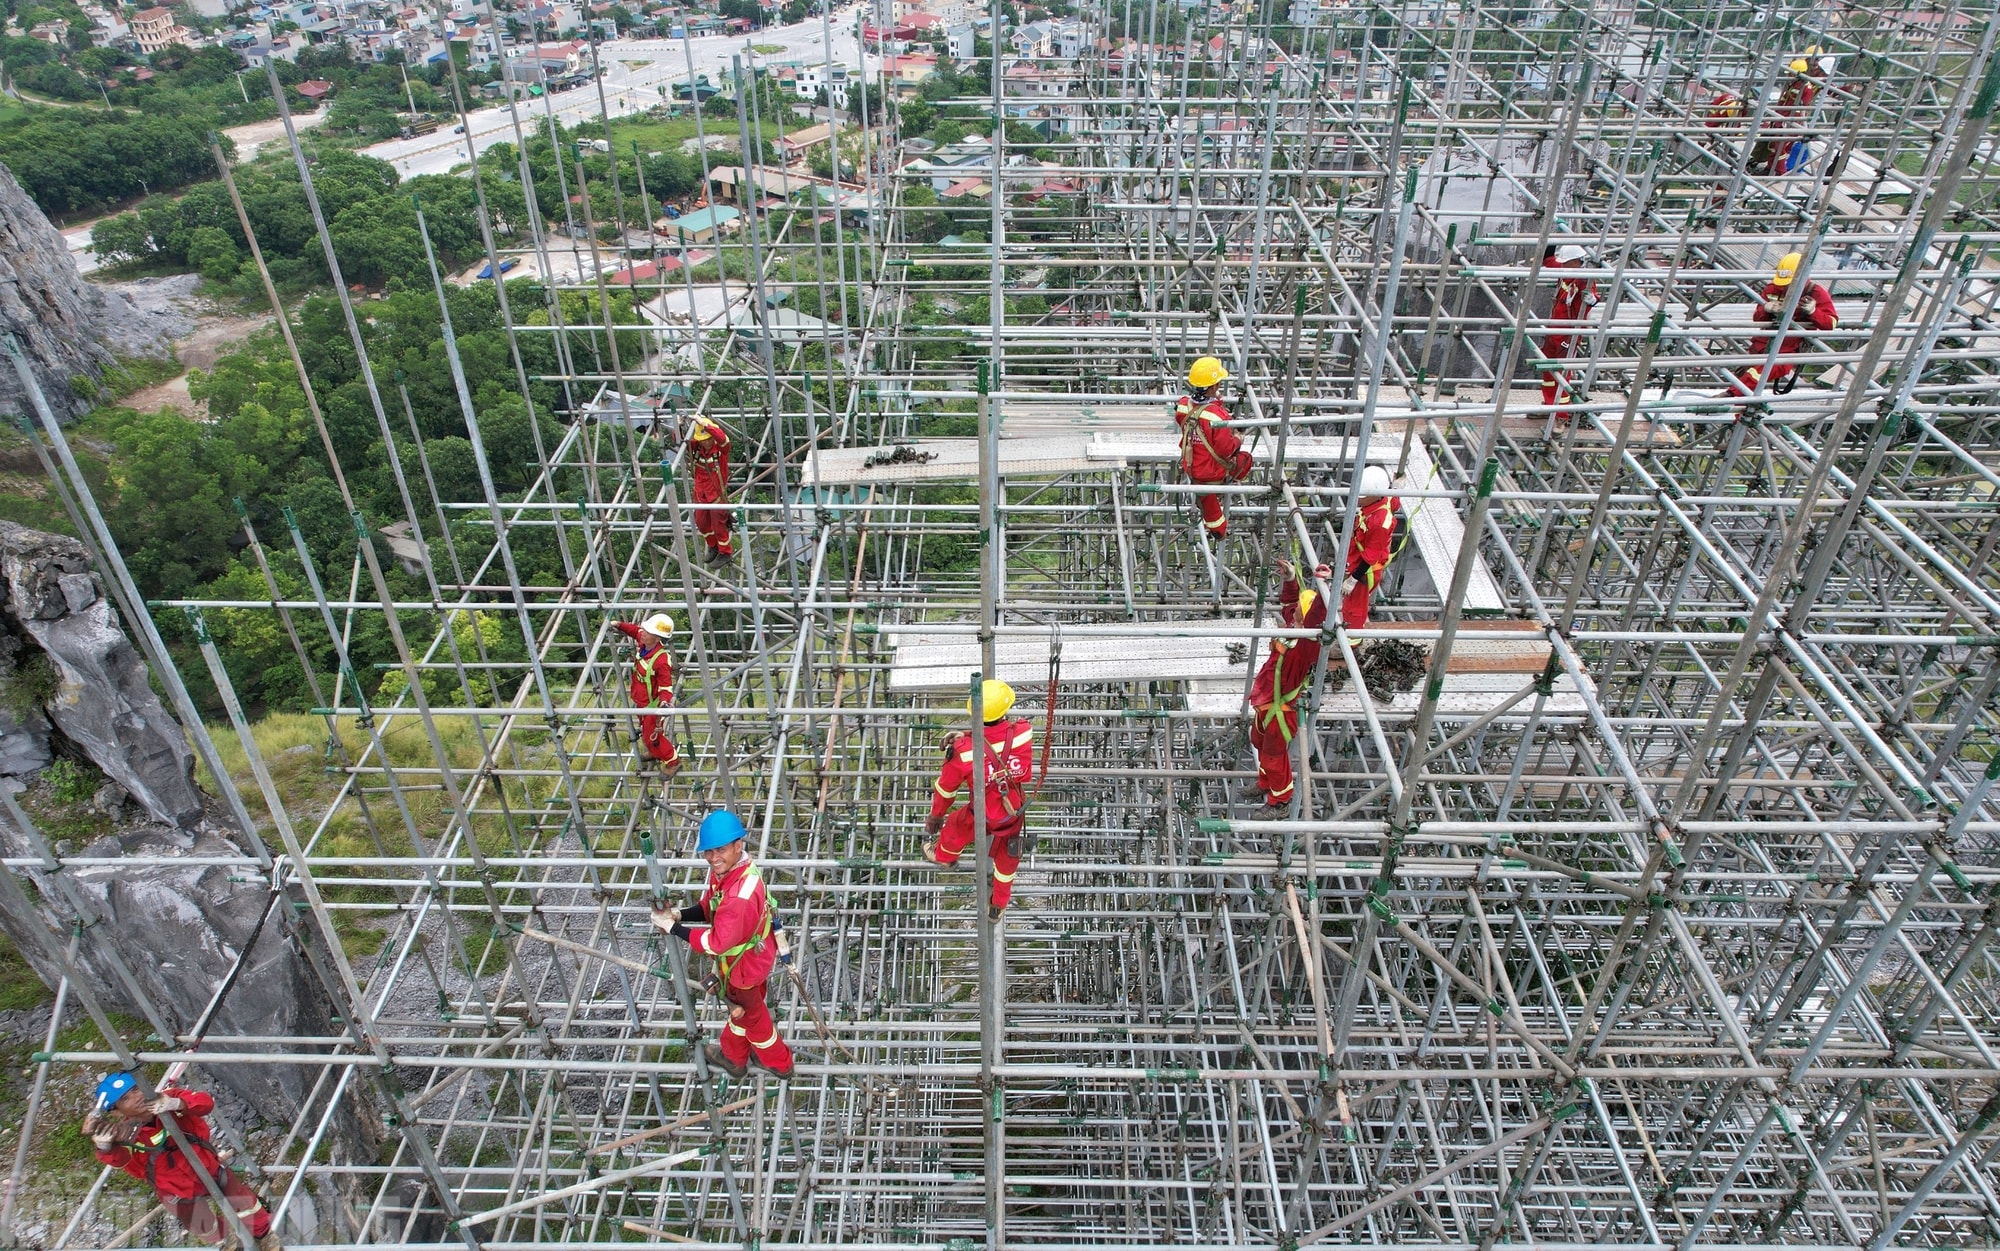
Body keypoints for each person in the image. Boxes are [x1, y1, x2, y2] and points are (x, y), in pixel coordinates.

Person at [652, 810, 795, 1078]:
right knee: (743, 1013)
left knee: (755, 1021)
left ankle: (780, 1063)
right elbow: (711, 907)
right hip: (752, 959)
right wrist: (681, 915)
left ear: (737, 846)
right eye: (708, 852)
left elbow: (715, 943)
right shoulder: (731, 872)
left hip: (743, 970)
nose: (713, 858)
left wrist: (674, 928)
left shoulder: (739, 896)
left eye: (720, 850)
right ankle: (734, 1056)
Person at [85, 1072, 282, 1251]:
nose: (137, 1097)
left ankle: (265, 1236)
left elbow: (205, 1103)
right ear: (117, 1112)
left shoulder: (168, 1098)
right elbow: (122, 1161)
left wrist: (175, 1104)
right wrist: (106, 1147)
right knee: (201, 1223)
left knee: (244, 1202)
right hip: (175, 1189)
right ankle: (227, 1242)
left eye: (136, 1089)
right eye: (125, 1098)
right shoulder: (126, 1135)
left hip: (208, 1166)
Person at [922, 679, 1033, 922]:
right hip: (1012, 810)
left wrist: (935, 816)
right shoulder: (1023, 733)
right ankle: (997, 906)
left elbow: (946, 789)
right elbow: (1003, 736)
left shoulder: (964, 751)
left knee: (955, 825)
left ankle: (945, 856)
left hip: (982, 812)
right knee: (1007, 863)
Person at [1247, 560, 1328, 809]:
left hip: (1281, 709)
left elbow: (1317, 616)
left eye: (1300, 609)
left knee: (1273, 755)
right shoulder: (1294, 628)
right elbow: (1291, 606)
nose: (1294, 611)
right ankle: (1265, 783)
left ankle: (1279, 800)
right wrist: (1291, 580)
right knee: (1258, 742)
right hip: (1267, 702)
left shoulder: (1306, 644)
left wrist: (1328, 588)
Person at [1729, 252, 1837, 398]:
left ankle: (1731, 395)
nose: (1785, 287)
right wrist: (1766, 309)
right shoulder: (1773, 288)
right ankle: (1736, 405)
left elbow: (1831, 323)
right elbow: (1758, 319)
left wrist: (1813, 311)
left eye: (1789, 283)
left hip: (1788, 350)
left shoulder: (1815, 293)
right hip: (1763, 345)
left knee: (1757, 375)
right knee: (1750, 377)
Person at [1173, 356, 1254, 541]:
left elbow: (1187, 418)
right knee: (1245, 459)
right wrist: (1238, 438)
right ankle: (1220, 509)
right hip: (1210, 472)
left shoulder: (1184, 404)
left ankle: (1218, 527)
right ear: (1213, 386)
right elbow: (1225, 450)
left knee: (1207, 499)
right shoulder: (1216, 416)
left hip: (1191, 464)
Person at [612, 613, 681, 777]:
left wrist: (664, 703)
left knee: (652, 736)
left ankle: (672, 761)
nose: (642, 632)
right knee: (645, 729)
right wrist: (618, 624)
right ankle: (654, 752)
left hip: (654, 705)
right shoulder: (644, 645)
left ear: (658, 638)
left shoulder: (661, 660)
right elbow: (634, 631)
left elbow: (665, 687)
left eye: (647, 632)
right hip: (641, 700)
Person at [1540, 244, 1598, 422]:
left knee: (1562, 372)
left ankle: (1560, 416)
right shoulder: (1566, 270)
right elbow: (1549, 261)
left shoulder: (1585, 280)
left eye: (1566, 263)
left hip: (1569, 333)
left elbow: (1593, 296)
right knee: (1547, 368)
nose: (1562, 266)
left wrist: (1592, 300)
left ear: (1575, 262)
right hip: (1554, 328)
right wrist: (1551, 240)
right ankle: (1550, 406)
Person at [1343, 466, 1400, 631]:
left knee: (1354, 608)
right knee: (1354, 604)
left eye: (1362, 496)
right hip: (1356, 558)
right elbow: (1394, 502)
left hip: (1365, 571)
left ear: (1375, 495)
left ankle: (1350, 644)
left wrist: (1353, 579)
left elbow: (1370, 557)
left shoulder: (1380, 522)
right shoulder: (1382, 500)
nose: (1358, 499)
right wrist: (1397, 488)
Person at [1752, 58, 1818, 175]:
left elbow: (1801, 109)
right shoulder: (1793, 84)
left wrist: (1788, 122)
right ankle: (1769, 168)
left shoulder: (1805, 88)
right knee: (1773, 144)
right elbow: (1784, 101)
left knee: (1780, 147)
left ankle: (1779, 171)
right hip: (1781, 117)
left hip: (1790, 121)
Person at [686, 414, 734, 565]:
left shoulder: (721, 449)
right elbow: (681, 442)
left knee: (718, 524)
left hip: (716, 493)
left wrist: (704, 424)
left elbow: (722, 438)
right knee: (701, 522)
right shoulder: (697, 448)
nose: (706, 442)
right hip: (701, 493)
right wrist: (679, 425)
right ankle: (713, 545)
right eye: (703, 440)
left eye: (708, 438)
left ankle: (725, 552)